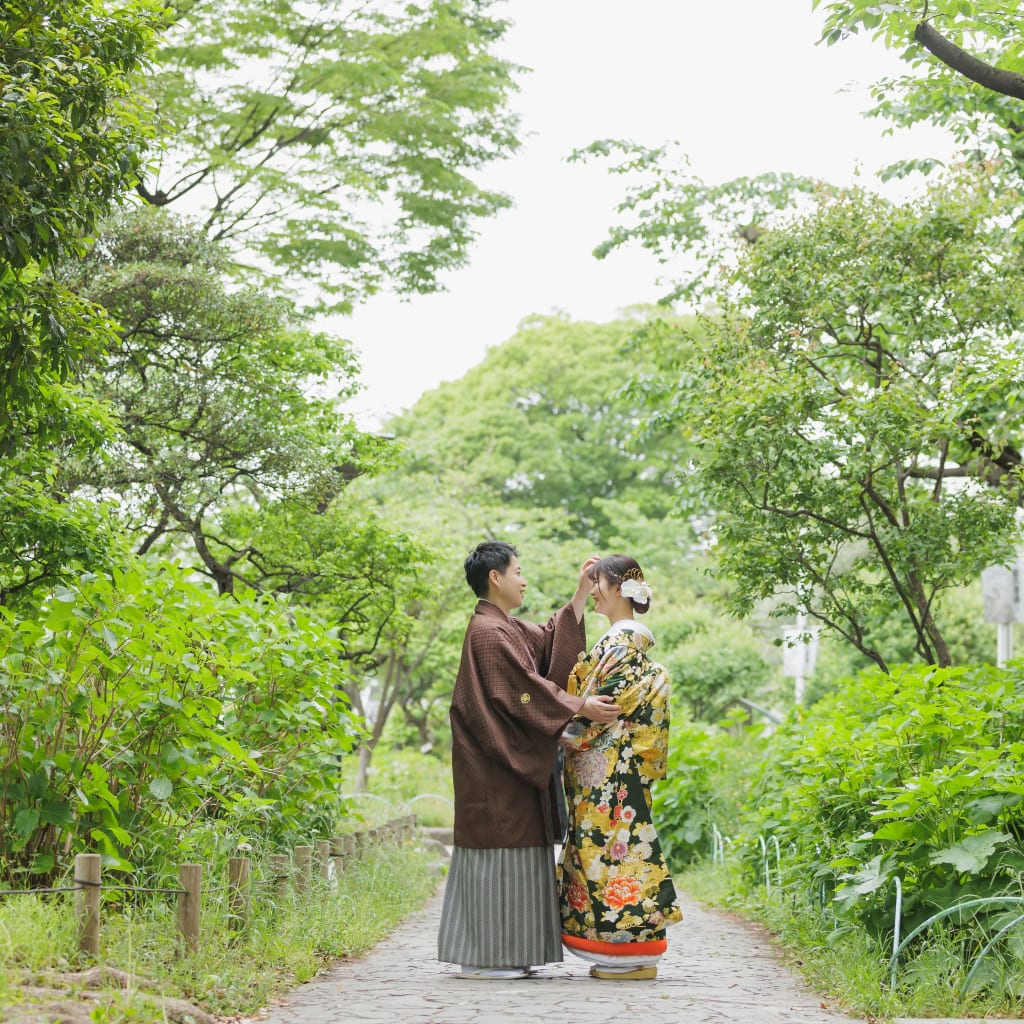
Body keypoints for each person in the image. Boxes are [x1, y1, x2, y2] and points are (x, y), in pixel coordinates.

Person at [437, 541, 621, 980]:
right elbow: (522, 688)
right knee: (498, 853)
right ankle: (486, 957)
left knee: (512, 856)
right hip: (493, 769)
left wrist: (579, 594)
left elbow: (545, 640)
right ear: (495, 577)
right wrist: (579, 706)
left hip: (504, 766)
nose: (524, 578)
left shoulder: (501, 626)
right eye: (517, 571)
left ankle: (505, 953)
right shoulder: (488, 631)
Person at [556, 554, 682, 980]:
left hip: (607, 772)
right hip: (613, 770)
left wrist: (560, 733)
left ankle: (629, 954)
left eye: (598, 584)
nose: (593, 591)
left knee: (613, 857)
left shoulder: (620, 645)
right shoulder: (620, 643)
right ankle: (628, 954)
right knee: (617, 853)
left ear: (618, 590)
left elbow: (599, 709)